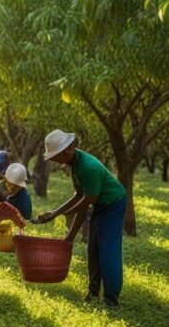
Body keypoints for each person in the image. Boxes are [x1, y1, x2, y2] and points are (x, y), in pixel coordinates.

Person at [32, 130, 127, 307]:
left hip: (113, 203)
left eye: (55, 155)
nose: (53, 160)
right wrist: (56, 216)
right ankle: (93, 292)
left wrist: (59, 216)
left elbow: (87, 201)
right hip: (100, 204)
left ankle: (111, 298)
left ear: (67, 150)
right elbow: (80, 197)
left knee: (107, 250)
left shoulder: (88, 167)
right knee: (93, 248)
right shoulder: (75, 165)